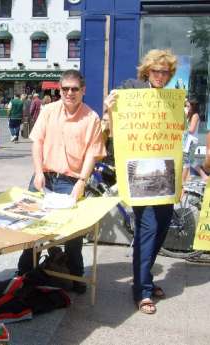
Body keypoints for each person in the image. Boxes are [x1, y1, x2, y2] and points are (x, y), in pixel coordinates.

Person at [17, 69, 106, 294]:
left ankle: (76, 276)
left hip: (71, 181)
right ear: (59, 89)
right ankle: (24, 273)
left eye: (74, 89)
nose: (69, 93)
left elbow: (92, 154)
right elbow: (37, 142)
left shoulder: (92, 118)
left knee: (73, 235)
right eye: (65, 88)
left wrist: (81, 182)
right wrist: (37, 172)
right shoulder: (48, 111)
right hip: (43, 177)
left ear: (83, 90)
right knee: (30, 228)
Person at [104, 49, 178, 314]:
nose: (160, 76)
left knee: (161, 228)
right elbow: (114, 116)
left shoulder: (171, 98)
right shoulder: (131, 88)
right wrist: (110, 104)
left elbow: (175, 135)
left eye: (165, 72)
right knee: (147, 230)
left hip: (165, 171)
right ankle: (142, 291)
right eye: (156, 71)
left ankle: (146, 278)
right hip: (138, 173)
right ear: (147, 71)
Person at [182, 99, 199, 183]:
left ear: (193, 106)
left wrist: (182, 129)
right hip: (189, 141)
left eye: (188, 106)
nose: (187, 108)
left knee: (186, 161)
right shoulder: (190, 115)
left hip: (191, 141)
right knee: (191, 160)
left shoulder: (195, 115)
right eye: (186, 106)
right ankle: (188, 178)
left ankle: (183, 180)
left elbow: (192, 130)